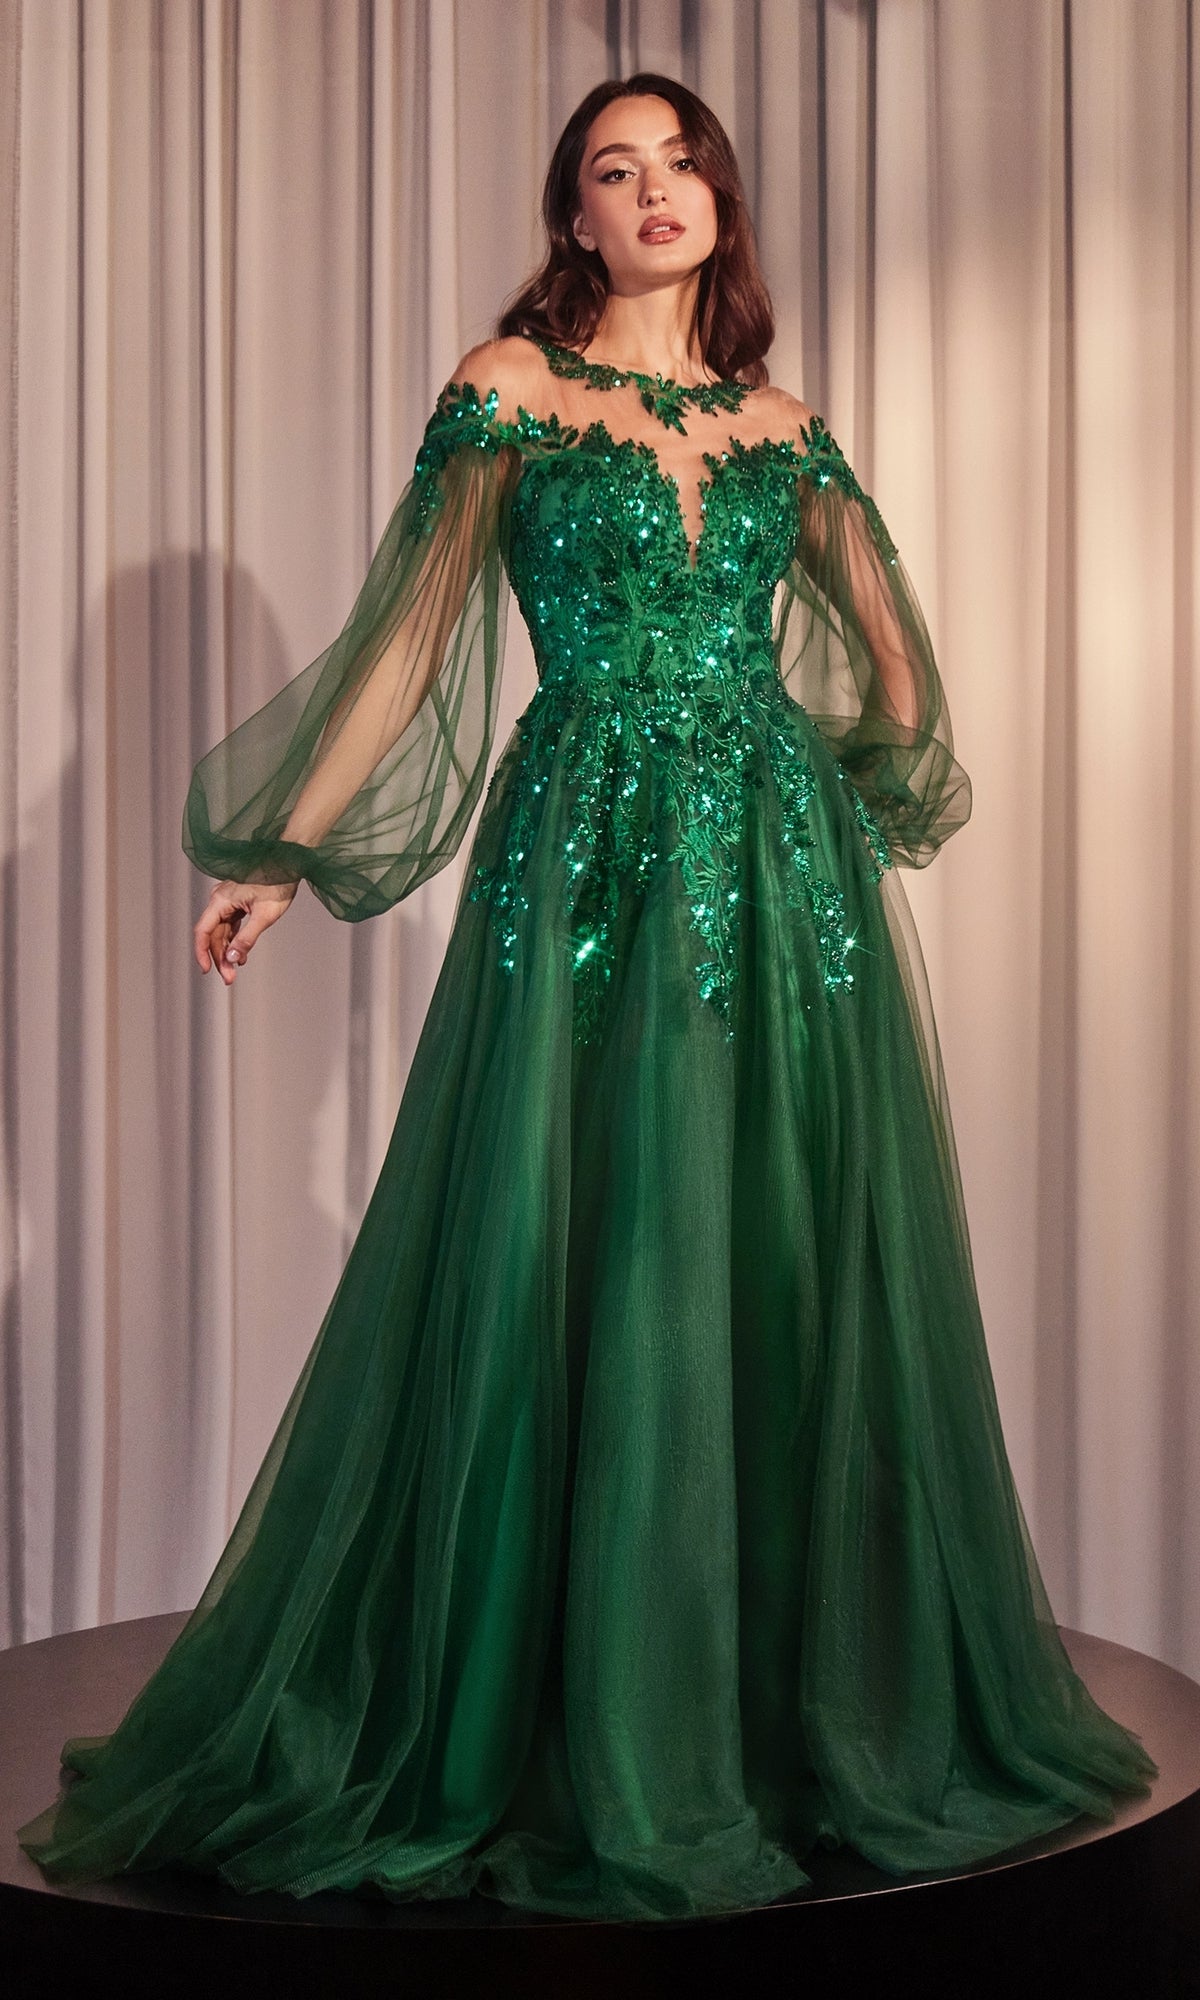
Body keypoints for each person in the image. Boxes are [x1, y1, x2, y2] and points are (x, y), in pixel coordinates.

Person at [17, 72, 1155, 1923]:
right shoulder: (512, 390)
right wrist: (285, 853)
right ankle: (580, 1723)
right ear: (575, 216)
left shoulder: (787, 427)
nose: (655, 190)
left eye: (680, 161)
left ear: (720, 196)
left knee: (765, 1252)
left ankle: (766, 1720)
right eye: (614, 171)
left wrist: (835, 794)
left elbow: (894, 663)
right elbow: (412, 638)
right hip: (586, 858)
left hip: (783, 890)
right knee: (584, 1243)